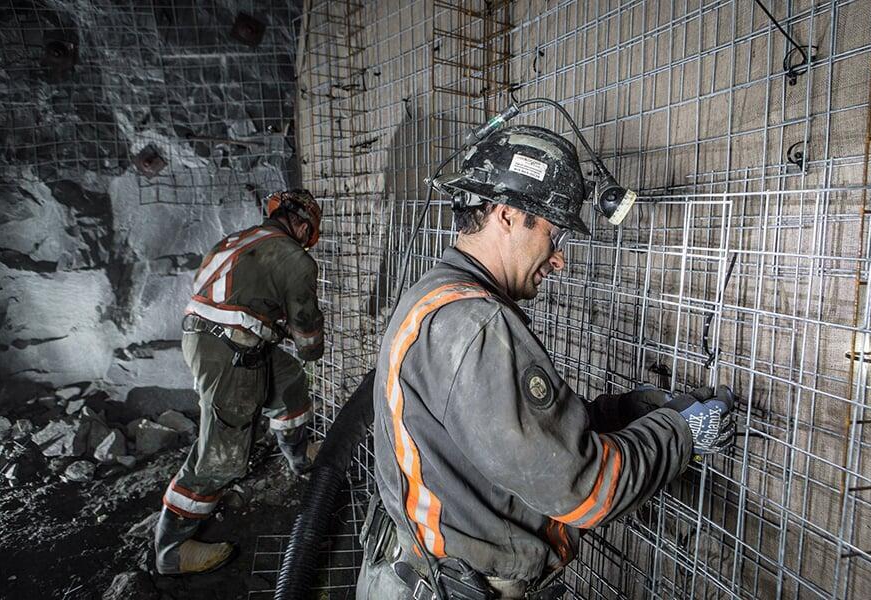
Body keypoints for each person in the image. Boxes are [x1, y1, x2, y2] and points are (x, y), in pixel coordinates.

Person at [356, 126, 735, 599]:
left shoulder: (436, 295)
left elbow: (504, 440)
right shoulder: (477, 325)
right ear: (508, 214)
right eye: (554, 236)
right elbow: (584, 490)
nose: (559, 261)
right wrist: (680, 436)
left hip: (415, 575)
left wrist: (627, 414)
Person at [154, 189, 325, 575]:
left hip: (217, 339)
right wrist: (313, 349)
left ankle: (299, 457)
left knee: (288, 382)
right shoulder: (295, 258)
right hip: (229, 351)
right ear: (301, 225)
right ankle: (172, 550)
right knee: (224, 452)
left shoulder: (237, 239)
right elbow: (306, 329)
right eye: (308, 231)